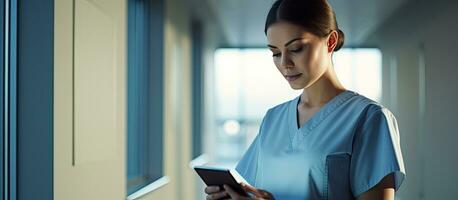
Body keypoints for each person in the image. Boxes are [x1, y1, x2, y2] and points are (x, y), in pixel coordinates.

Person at [205, 0, 405, 199]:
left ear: (331, 41)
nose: (285, 63)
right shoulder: (273, 119)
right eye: (275, 53)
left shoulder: (369, 118)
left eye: (296, 49)